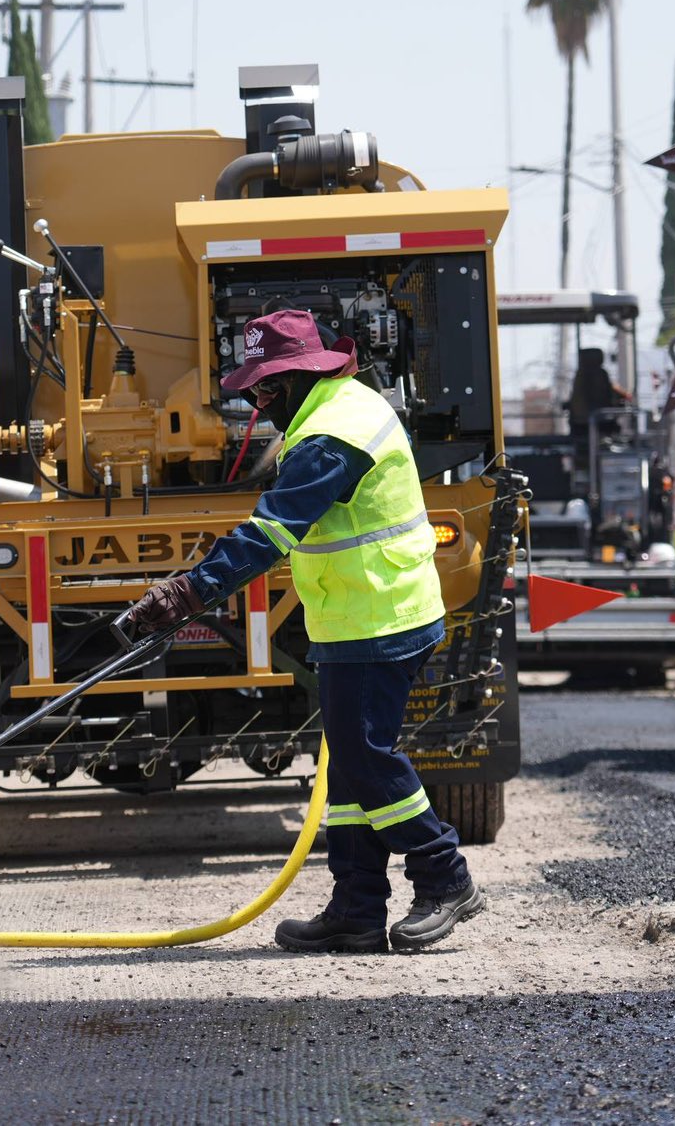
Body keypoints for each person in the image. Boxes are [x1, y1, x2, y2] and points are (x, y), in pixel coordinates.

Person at [124, 308, 483, 955]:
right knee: (347, 769)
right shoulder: (338, 409)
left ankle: (445, 876)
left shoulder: (330, 436)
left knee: (367, 760)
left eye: (263, 389)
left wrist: (188, 591)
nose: (257, 403)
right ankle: (357, 908)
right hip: (361, 617)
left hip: (380, 618)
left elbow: (271, 532)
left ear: (293, 378)